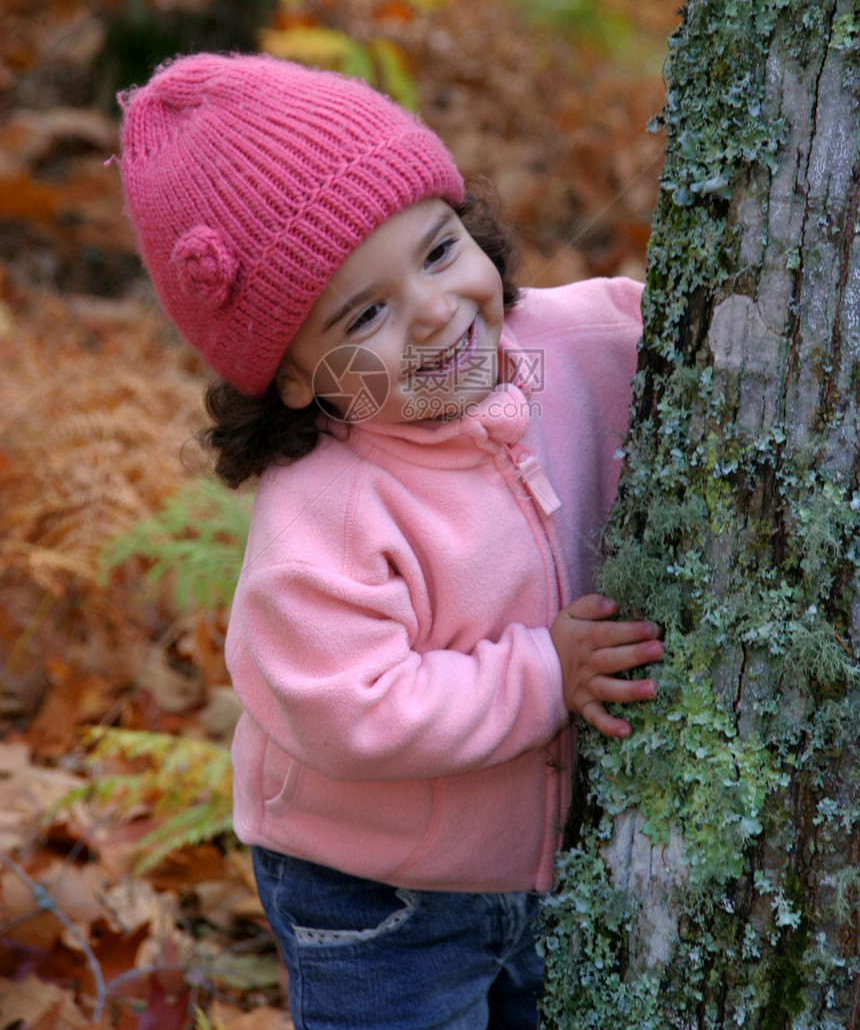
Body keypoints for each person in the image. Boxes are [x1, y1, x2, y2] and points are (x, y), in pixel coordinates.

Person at [118, 52, 663, 1030]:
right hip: (374, 895)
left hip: (543, 862)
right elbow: (354, 709)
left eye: (439, 250)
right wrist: (546, 676)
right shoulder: (323, 518)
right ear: (291, 379)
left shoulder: (577, 344)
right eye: (364, 314)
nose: (432, 312)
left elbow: (703, 339)